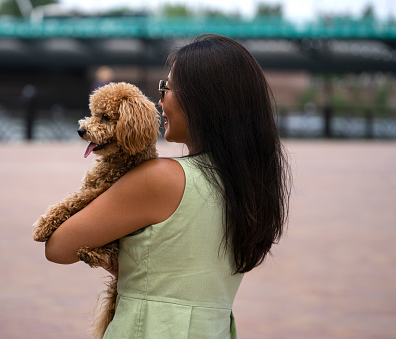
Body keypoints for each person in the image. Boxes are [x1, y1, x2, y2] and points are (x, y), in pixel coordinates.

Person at [44, 34, 291, 338]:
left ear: (201, 99)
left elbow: (58, 246)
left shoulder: (162, 178)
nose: (159, 100)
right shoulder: (249, 185)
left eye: (167, 87)